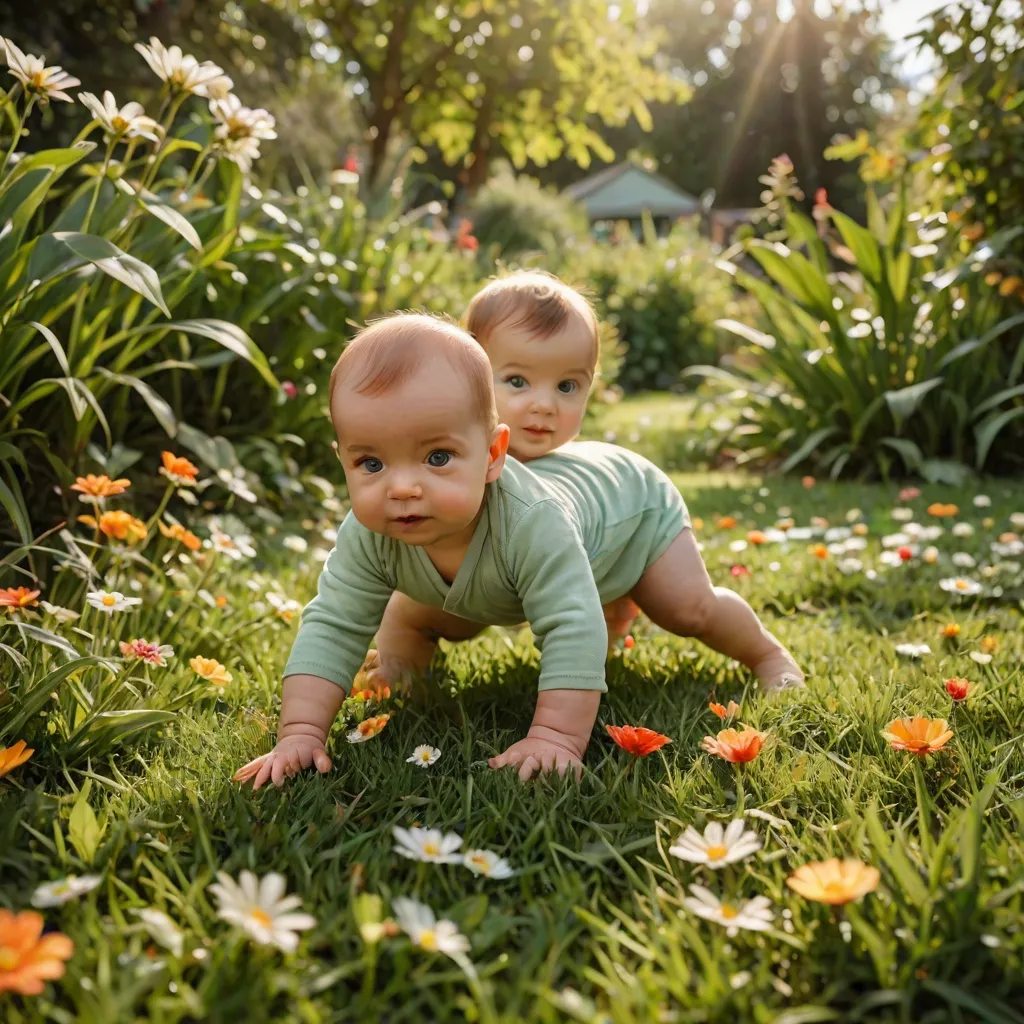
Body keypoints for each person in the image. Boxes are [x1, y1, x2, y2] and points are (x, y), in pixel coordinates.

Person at [235, 311, 802, 790]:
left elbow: (571, 625)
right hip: (495, 580)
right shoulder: (371, 533)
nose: (401, 487)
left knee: (685, 608)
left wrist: (555, 737)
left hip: (630, 514)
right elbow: (333, 623)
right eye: (372, 463)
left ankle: (767, 656)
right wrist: (301, 734)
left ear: (492, 454)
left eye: (437, 458)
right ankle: (408, 678)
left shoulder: (533, 522)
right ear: (344, 460)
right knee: (411, 613)